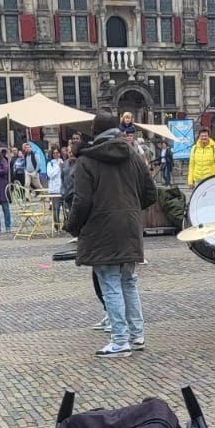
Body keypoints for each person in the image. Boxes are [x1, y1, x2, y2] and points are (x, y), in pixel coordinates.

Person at [66, 109, 156, 357]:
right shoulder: (133, 155)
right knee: (129, 281)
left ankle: (119, 340)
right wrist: (131, 209)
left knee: (110, 284)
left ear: (94, 132)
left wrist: (73, 226)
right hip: (129, 226)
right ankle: (137, 335)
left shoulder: (87, 161)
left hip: (101, 229)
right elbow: (151, 193)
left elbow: (81, 201)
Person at [46, 144, 65, 231]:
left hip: (63, 189)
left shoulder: (63, 162)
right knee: (56, 208)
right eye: (54, 153)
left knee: (65, 208)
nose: (56, 154)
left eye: (57, 153)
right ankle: (56, 225)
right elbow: (50, 175)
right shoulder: (50, 164)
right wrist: (58, 168)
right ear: (52, 154)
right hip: (54, 190)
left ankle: (66, 224)